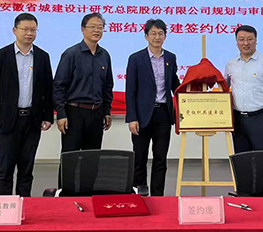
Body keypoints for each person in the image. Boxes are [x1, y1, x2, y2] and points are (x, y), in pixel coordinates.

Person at [0, 13, 53, 197]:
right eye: (25, 29)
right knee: (5, 169)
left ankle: (24, 204)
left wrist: (48, 116)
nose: (29, 33)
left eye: (33, 30)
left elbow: (48, 89)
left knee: (26, 169)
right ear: (15, 30)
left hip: (32, 120)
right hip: (8, 120)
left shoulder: (43, 57)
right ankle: (3, 206)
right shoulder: (1, 55)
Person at [125, 19, 180, 196]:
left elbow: (174, 84)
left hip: (163, 114)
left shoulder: (170, 58)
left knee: (160, 158)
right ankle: (139, 192)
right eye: (153, 34)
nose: (157, 37)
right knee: (139, 157)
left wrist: (191, 90)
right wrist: (132, 118)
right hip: (142, 116)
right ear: (146, 36)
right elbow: (130, 91)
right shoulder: (136, 59)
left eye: (160, 33)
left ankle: (158, 196)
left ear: (165, 36)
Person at [54, 13, 114, 161]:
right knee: (70, 158)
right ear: (83, 29)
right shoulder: (71, 54)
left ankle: (89, 179)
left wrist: (107, 111)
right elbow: (59, 86)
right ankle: (67, 180)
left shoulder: (104, 55)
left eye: (100, 27)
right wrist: (61, 114)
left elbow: (108, 86)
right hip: (74, 112)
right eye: (92, 26)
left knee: (92, 158)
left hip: (97, 113)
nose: (96, 30)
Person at [224, 25, 263, 153]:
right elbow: (224, 88)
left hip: (260, 117)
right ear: (236, 42)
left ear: (256, 40)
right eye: (241, 39)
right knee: (241, 158)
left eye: (250, 39)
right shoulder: (231, 64)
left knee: (262, 158)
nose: (246, 43)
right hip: (238, 119)